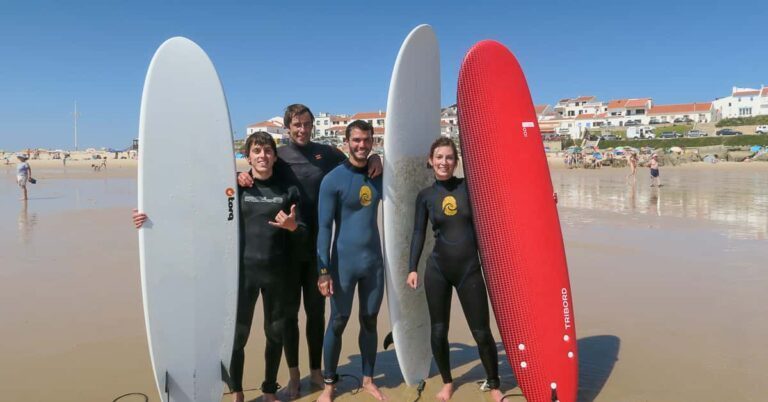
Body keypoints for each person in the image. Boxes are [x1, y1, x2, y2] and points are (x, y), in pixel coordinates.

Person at [133, 132, 305, 402]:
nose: (263, 156)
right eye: (257, 151)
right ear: (247, 156)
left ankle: (269, 390)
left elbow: (304, 231)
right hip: (242, 276)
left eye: (268, 151)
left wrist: (293, 227)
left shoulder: (289, 190)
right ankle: (236, 393)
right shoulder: (235, 189)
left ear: (275, 156)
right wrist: (150, 218)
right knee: (237, 338)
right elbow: (193, 212)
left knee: (275, 334)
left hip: (277, 275)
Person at [237, 104, 382, 398]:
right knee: (288, 316)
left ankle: (316, 371)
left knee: (316, 313)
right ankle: (293, 376)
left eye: (306, 124)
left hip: (317, 244)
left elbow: (356, 161)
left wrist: (377, 156)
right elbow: (258, 171)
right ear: (288, 127)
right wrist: (240, 176)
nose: (302, 129)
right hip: (286, 249)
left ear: (312, 126)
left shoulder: (327, 154)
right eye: (296, 125)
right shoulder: (279, 157)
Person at [406, 137, 504, 402]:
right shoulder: (425, 196)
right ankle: (448, 382)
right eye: (439, 157)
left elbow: (504, 197)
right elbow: (418, 233)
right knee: (438, 330)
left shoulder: (470, 188)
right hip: (437, 268)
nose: (444, 162)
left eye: (449, 157)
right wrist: (412, 267)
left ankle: (494, 385)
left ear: (456, 162)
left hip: (469, 269)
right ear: (431, 160)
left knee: (481, 331)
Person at [316, 120, 385, 402]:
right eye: (356, 140)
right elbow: (324, 228)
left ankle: (368, 378)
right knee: (338, 321)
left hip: (374, 264)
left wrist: (380, 159)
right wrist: (323, 271)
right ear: (346, 142)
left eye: (367, 141)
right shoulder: (332, 180)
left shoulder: (379, 173)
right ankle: (330, 384)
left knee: (369, 320)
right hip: (342, 264)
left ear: (372, 142)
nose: (362, 145)